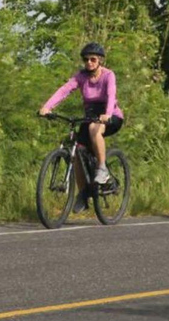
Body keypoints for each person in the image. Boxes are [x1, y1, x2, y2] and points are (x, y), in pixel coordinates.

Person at [39, 42, 124, 213]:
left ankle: (102, 169)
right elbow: (64, 90)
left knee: (94, 128)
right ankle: (83, 194)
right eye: (86, 59)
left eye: (93, 59)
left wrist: (107, 114)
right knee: (77, 150)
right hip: (90, 116)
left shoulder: (108, 75)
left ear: (100, 60)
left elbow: (111, 95)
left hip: (111, 116)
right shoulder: (81, 76)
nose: (89, 62)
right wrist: (47, 107)